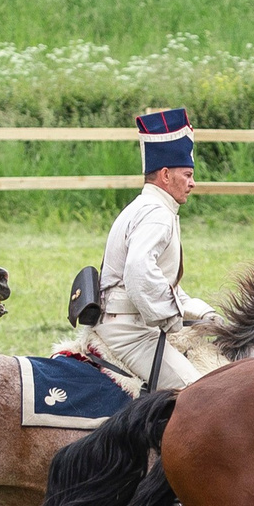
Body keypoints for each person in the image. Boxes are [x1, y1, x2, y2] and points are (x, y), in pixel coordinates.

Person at [94, 107, 222, 395]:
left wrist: (204, 313)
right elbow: (139, 273)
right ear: (165, 175)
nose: (193, 183)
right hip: (131, 332)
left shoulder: (149, 207)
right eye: (188, 174)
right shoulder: (156, 214)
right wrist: (175, 320)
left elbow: (159, 282)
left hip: (130, 323)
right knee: (200, 395)